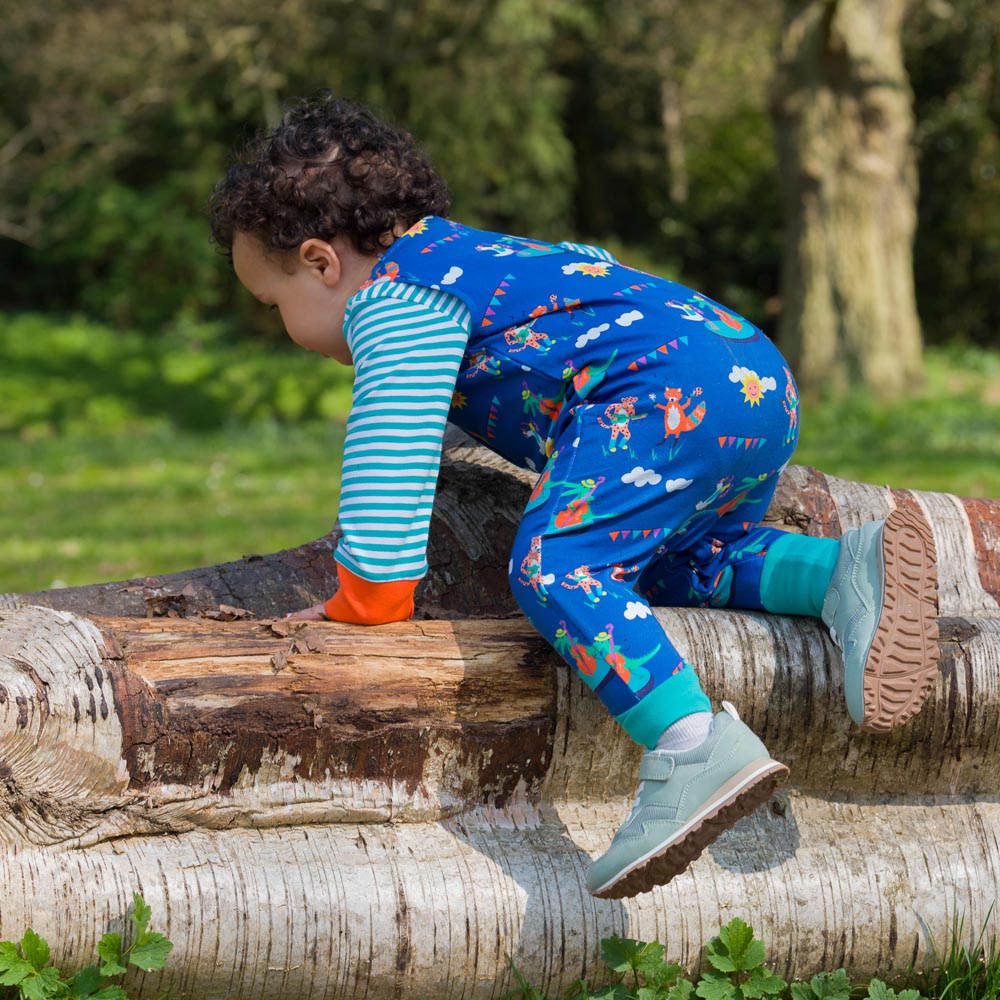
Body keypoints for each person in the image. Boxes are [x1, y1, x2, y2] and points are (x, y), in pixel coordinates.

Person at [208, 94, 940, 899]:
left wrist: (369, 597)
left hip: (666, 393)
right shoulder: (477, 257)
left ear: (321, 262)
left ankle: (691, 744)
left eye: (272, 304)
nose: (282, 325)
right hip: (749, 376)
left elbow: (390, 448)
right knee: (669, 563)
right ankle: (834, 573)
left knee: (557, 569)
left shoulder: (396, 299)